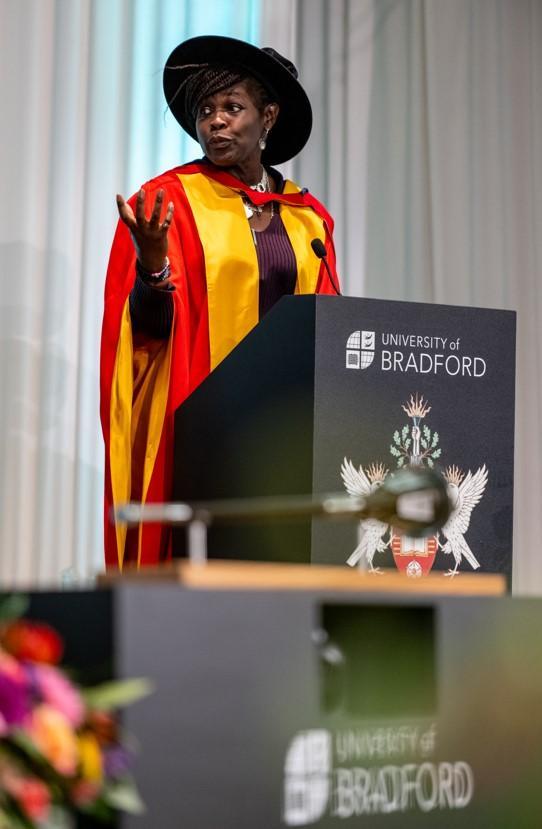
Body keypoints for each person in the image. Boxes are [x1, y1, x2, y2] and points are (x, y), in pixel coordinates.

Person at [100, 35, 340, 569]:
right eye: (206, 111)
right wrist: (153, 265)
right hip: (205, 422)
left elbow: (329, 322)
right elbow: (147, 333)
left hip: (284, 427)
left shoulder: (308, 217)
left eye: (233, 107)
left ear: (267, 116)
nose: (216, 122)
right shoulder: (170, 200)